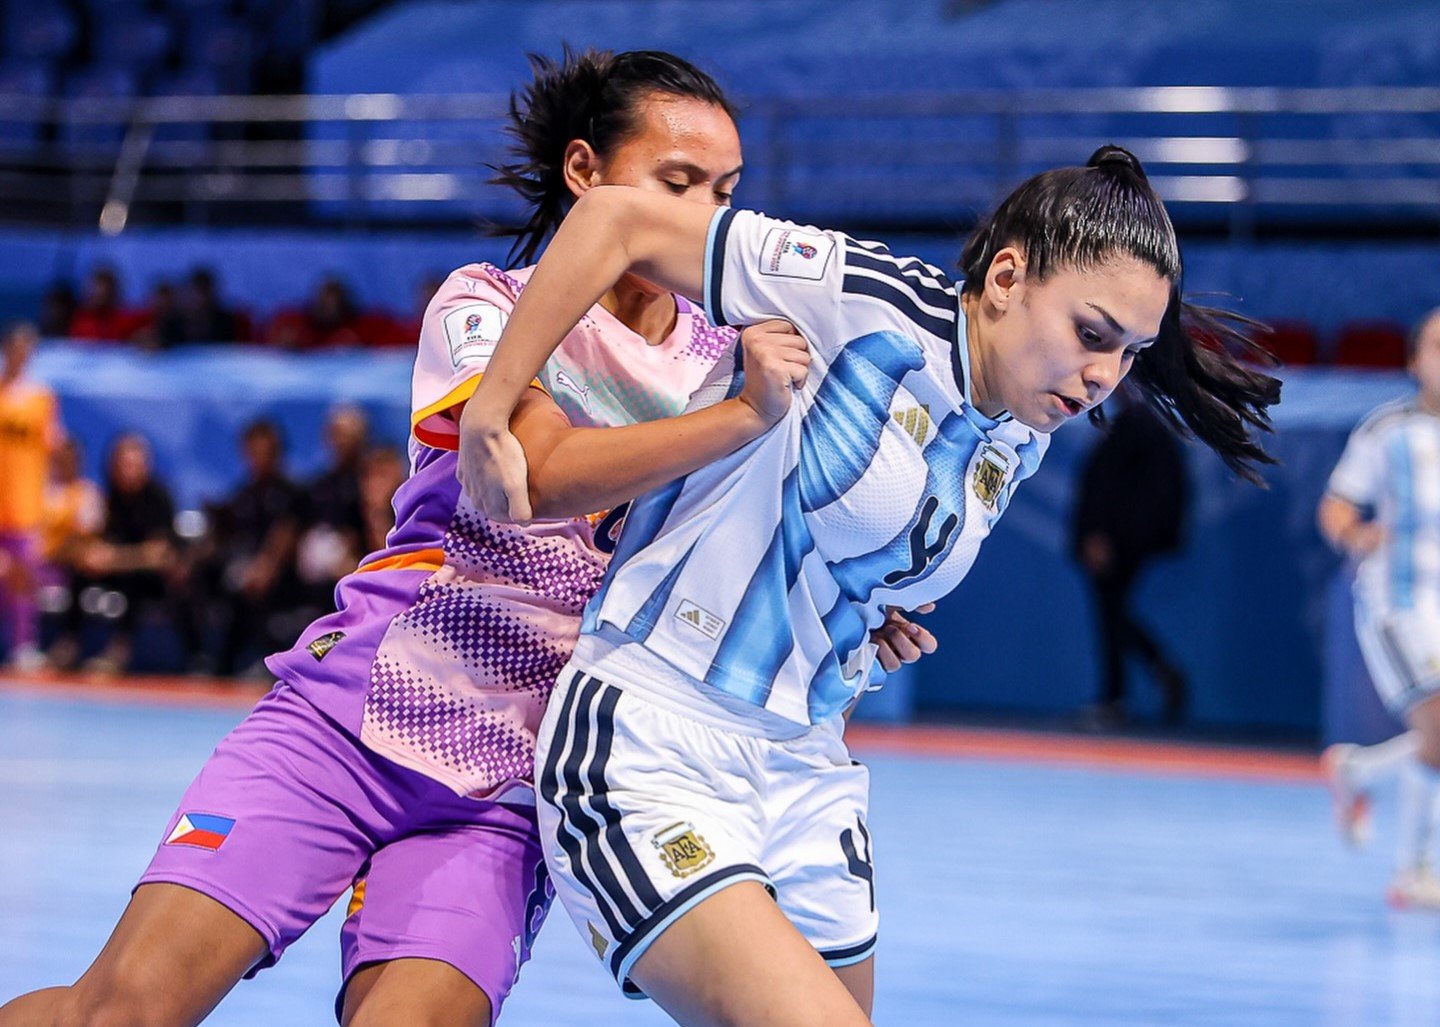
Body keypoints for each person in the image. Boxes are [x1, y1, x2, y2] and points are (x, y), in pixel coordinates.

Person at [0, 48, 931, 1027]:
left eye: (724, 191)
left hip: (514, 783)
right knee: (121, 1013)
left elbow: (760, 558)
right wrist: (743, 417)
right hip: (351, 718)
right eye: (676, 182)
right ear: (586, 173)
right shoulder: (490, 304)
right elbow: (525, 472)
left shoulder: (730, 356)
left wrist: (853, 606)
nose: (704, 214)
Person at [459, 145, 1281, 1026]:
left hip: (807, 767)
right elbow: (614, 217)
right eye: (1092, 334)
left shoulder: (1021, 434)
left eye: (1130, 352)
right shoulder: (860, 296)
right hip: (658, 735)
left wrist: (862, 608)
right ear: (1007, 276)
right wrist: (490, 404)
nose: (1104, 376)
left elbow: (829, 527)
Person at [1321, 306, 1440, 910]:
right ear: (1415, 360)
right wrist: (1357, 536)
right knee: (1439, 725)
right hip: (1398, 602)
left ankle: (1358, 772)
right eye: (1439, 347)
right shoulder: (1385, 430)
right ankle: (1415, 872)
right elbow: (1337, 507)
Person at [1071, 388, 1189, 727]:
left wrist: (1103, 536)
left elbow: (1114, 490)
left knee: (1112, 615)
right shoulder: (1132, 424)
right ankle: (1142, 678)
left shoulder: (1142, 428)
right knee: (1112, 615)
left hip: (1120, 543)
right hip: (1120, 541)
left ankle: (1118, 695)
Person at [73, 433, 179, 675]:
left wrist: (114, 560)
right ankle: (70, 642)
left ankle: (119, 650)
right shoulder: (109, 498)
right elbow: (94, 539)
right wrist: (90, 554)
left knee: (136, 581)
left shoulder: (158, 497)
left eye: (134, 464)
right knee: (81, 574)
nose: (128, 471)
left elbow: (158, 554)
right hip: (117, 569)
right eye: (123, 464)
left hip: (154, 578)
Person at [0, 322, 62, 670]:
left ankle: (24, 644)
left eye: (26, 349)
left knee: (24, 576)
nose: (20, 355)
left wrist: (48, 495)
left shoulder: (41, 398)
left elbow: (50, 449)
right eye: (14, 347)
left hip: (25, 502)